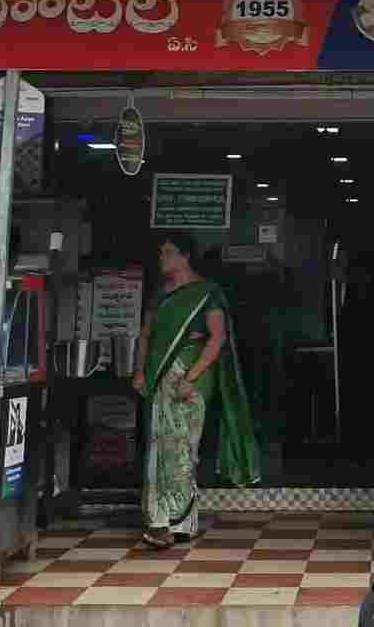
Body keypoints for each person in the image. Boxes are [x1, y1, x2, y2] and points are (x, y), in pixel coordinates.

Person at [133, 231, 259, 548]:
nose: (162, 259)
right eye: (161, 253)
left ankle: (181, 521)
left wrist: (192, 376)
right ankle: (157, 520)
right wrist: (140, 370)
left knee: (181, 450)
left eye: (168, 253)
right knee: (157, 448)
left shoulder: (207, 293)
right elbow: (145, 335)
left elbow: (216, 339)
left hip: (191, 381)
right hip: (158, 379)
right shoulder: (159, 295)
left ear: (185, 256)